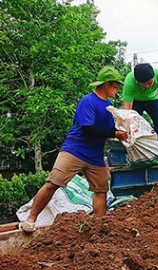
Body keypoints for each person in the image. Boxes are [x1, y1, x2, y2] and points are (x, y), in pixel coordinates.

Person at [19, 66, 128, 233]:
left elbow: (111, 130)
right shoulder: (88, 101)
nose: (117, 89)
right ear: (106, 84)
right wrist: (113, 133)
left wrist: (122, 131)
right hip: (75, 150)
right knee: (53, 183)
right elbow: (88, 128)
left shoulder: (109, 107)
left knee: (101, 190)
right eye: (115, 85)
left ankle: (98, 227)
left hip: (95, 155)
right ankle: (31, 219)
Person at [122, 63, 158, 141]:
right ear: (137, 81)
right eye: (143, 84)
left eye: (150, 83)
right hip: (136, 101)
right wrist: (127, 124)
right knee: (133, 126)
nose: (147, 86)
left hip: (153, 99)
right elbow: (127, 107)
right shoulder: (130, 81)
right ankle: (133, 147)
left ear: (153, 77)